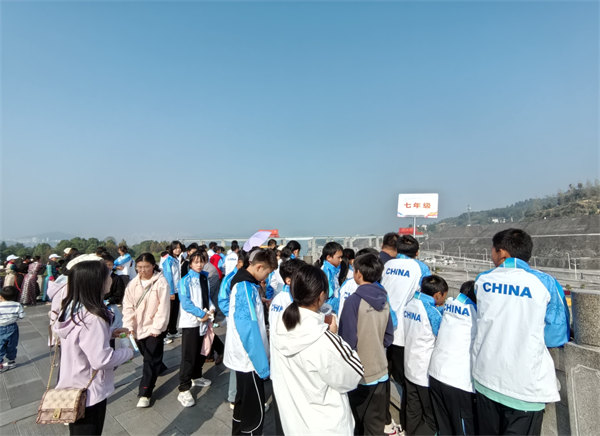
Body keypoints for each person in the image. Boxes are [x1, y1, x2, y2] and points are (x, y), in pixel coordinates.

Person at [472, 228, 569, 436]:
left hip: (485, 379)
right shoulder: (546, 283)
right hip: (524, 388)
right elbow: (556, 335)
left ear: (502, 253)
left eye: (492, 250)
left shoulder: (483, 280)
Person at [271, 264, 364, 435]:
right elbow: (352, 376)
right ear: (321, 296)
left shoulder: (280, 324)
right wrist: (334, 337)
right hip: (327, 426)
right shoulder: (323, 340)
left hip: (294, 424)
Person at [52, 261, 133, 435]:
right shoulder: (94, 318)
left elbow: (80, 338)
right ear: (96, 282)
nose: (111, 279)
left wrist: (109, 334)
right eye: (107, 276)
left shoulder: (72, 309)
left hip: (72, 385)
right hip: (89, 391)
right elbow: (101, 360)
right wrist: (127, 353)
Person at [380, 234, 431, 433]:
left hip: (384, 330)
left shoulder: (387, 266)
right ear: (417, 253)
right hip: (404, 333)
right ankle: (408, 425)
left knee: (385, 377)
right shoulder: (420, 268)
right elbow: (428, 296)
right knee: (407, 384)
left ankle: (386, 420)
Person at [338, 253, 394, 435]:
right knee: (375, 423)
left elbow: (347, 341)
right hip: (381, 370)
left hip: (359, 373)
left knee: (356, 422)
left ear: (358, 274)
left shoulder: (353, 301)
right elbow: (388, 337)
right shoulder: (384, 299)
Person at [224, 248, 277, 435]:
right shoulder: (245, 287)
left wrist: (259, 299)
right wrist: (262, 366)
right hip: (250, 358)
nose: (266, 278)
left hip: (244, 356)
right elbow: (248, 329)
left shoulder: (244, 283)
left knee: (242, 404)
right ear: (259, 267)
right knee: (254, 413)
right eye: (267, 273)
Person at [428, 280, 478, 435]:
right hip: (457, 383)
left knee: (444, 427)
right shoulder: (475, 314)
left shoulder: (449, 305)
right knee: (462, 429)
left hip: (436, 374)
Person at [122, 253, 170, 408]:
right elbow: (128, 306)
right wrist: (129, 326)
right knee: (147, 354)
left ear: (153, 266)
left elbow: (163, 307)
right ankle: (160, 367)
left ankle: (145, 392)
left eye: (146, 267)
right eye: (139, 267)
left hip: (154, 327)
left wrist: (157, 327)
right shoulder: (132, 284)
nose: (142, 270)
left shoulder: (161, 283)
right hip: (137, 327)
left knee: (149, 360)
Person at [403, 275, 448, 435]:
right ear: (437, 295)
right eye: (444, 297)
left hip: (410, 366)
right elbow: (442, 335)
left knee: (413, 410)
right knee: (431, 418)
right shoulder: (431, 311)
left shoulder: (410, 304)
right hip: (424, 371)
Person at [175, 250, 216, 407]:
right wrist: (201, 314)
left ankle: (196, 376)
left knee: (201, 351)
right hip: (191, 322)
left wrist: (211, 309)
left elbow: (207, 297)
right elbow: (185, 303)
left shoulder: (204, 277)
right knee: (189, 355)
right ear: (190, 263)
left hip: (204, 321)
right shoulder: (185, 280)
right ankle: (184, 388)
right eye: (196, 262)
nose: (199, 265)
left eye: (201, 261)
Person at [268, 258, 306, 328]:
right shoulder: (287, 299)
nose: (306, 280)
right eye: (302, 277)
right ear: (288, 281)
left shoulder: (280, 298)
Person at [163, 241, 184, 344]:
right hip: (171, 290)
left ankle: (172, 331)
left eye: (179, 248)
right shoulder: (168, 260)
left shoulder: (176, 259)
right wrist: (171, 292)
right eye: (175, 248)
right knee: (169, 313)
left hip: (177, 290)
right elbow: (169, 277)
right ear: (171, 249)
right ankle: (164, 334)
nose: (178, 250)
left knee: (175, 312)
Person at [0, 286, 24, 372]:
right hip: (13, 327)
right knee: (12, 345)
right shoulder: (17, 305)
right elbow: (21, 316)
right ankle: (11, 362)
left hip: (0, 328)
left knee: (0, 346)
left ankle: (0, 364)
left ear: (1, 297)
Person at [317, 241, 344, 314]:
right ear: (328, 257)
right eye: (339, 257)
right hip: (329, 310)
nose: (341, 260)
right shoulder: (326, 272)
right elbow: (328, 295)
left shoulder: (333, 270)